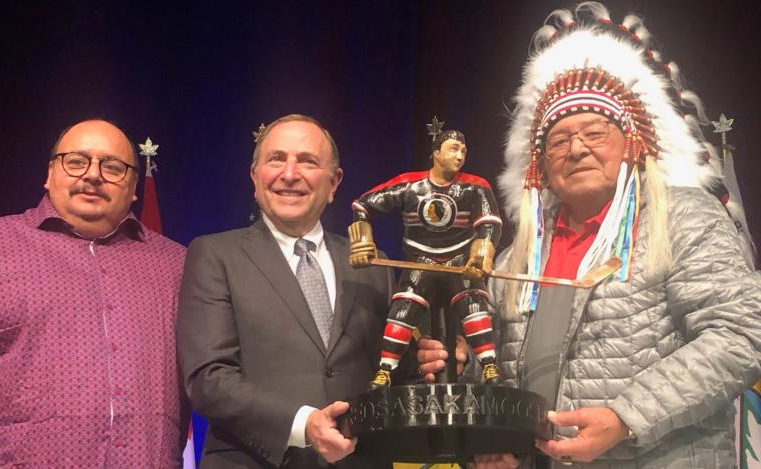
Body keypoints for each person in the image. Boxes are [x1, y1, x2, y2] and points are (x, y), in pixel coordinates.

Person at [420, 3, 761, 468]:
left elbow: (740, 334)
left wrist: (626, 418)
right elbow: (498, 367)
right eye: (558, 140)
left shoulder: (684, 218)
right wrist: (480, 402)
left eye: (595, 133)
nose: (576, 148)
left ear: (632, 144)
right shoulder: (516, 257)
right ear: (540, 163)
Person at [0, 119, 187, 467]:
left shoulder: (177, 265)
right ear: (50, 174)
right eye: (76, 161)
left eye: (112, 166)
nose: (93, 175)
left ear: (133, 187)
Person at [176, 114, 396, 468]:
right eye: (276, 159)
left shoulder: (374, 264)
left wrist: (432, 357)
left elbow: (391, 370)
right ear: (254, 176)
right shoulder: (215, 255)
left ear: (334, 181)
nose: (290, 174)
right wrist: (304, 425)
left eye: (308, 161)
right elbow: (209, 378)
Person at [348, 120, 502, 389]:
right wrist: (362, 241)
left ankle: (490, 366)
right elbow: (362, 204)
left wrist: (481, 254)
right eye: (453, 149)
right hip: (422, 259)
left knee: (474, 304)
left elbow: (490, 223)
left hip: (459, 260)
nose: (459, 156)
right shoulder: (410, 185)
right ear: (436, 152)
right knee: (403, 308)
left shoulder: (475, 186)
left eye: (464, 151)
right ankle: (385, 371)